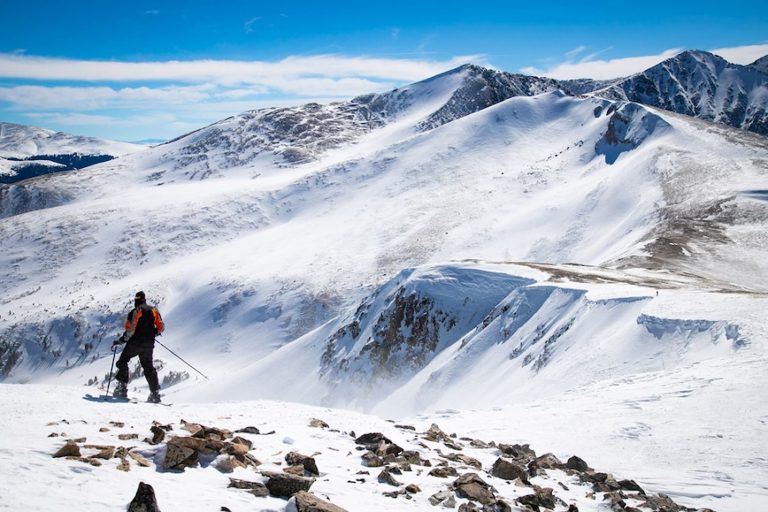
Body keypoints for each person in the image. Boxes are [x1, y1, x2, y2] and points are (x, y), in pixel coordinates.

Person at [112, 291, 165, 403]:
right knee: (149, 368)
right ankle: (155, 394)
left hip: (135, 343)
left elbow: (130, 330)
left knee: (122, 361)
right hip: (149, 345)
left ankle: (122, 387)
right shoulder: (154, 310)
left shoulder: (136, 311)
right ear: (144, 299)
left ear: (136, 300)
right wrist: (153, 332)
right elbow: (161, 327)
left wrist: (121, 340)